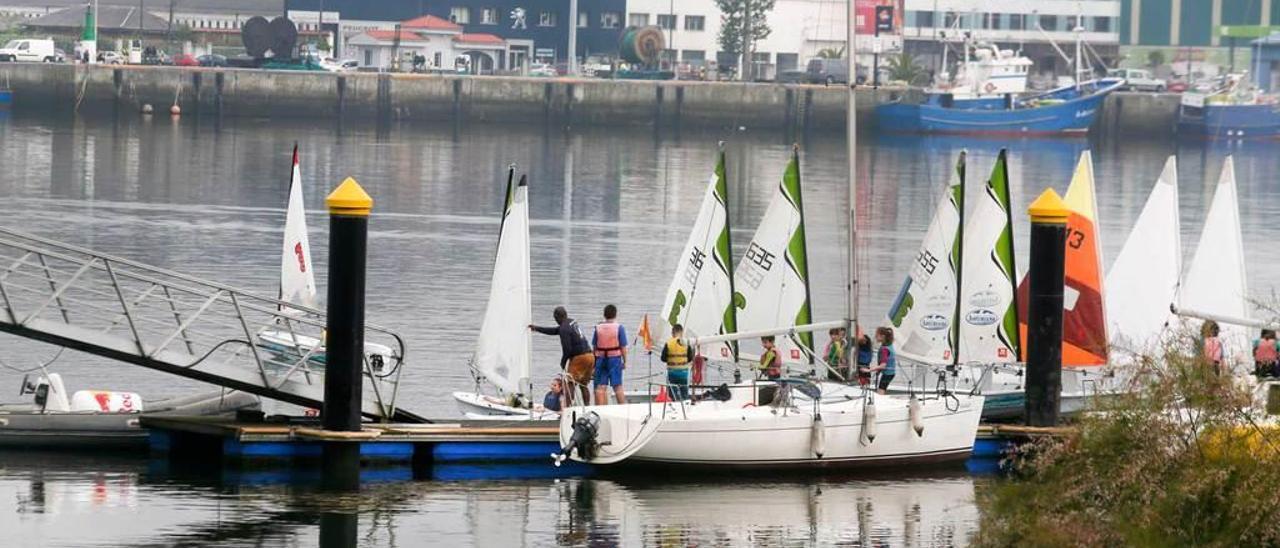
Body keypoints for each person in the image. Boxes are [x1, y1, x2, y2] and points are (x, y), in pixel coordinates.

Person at [530, 306, 593, 405]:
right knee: (583, 385)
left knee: (570, 384)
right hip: (590, 356)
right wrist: (537, 329)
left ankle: (568, 409)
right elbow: (555, 331)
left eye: (554, 318)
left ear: (557, 317)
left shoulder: (564, 328)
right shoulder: (571, 322)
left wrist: (563, 362)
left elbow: (567, 349)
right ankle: (587, 406)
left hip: (580, 358)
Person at [592, 304, 628, 405]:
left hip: (600, 359)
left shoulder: (598, 328)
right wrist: (625, 361)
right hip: (615, 359)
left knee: (600, 387)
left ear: (604, 315)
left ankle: (600, 411)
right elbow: (623, 347)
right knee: (617, 386)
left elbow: (594, 347)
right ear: (615, 315)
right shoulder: (619, 328)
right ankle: (623, 409)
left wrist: (594, 363)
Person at [661, 324, 692, 400]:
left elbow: (663, 358)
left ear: (672, 332)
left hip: (672, 373)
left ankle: (674, 406)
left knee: (672, 395)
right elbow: (690, 358)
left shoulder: (668, 343)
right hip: (683, 373)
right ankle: (684, 406)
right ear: (682, 332)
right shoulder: (687, 343)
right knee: (684, 394)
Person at [872, 327, 896, 394]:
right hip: (890, 372)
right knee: (881, 388)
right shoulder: (889, 344)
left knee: (880, 391)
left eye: (876, 335)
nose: (875, 337)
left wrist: (869, 370)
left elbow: (883, 365)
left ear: (882, 336)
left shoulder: (885, 349)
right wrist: (878, 371)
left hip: (888, 374)